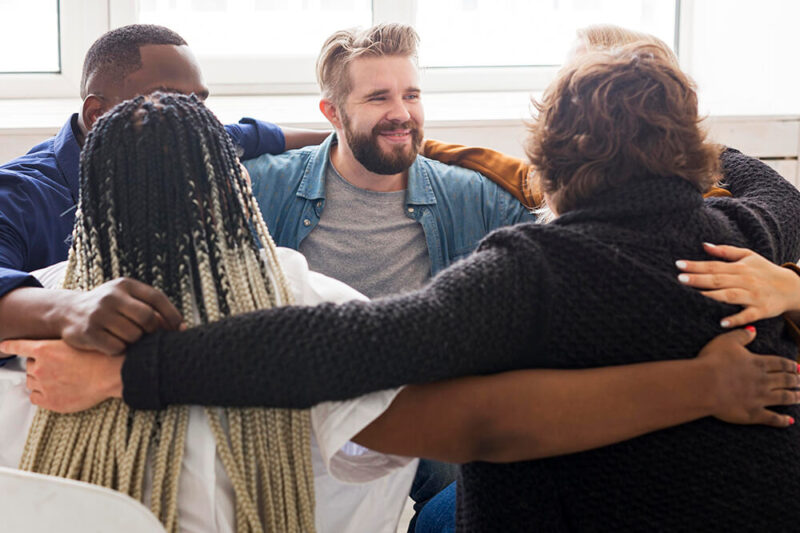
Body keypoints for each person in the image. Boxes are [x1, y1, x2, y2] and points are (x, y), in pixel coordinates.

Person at [9, 43, 800, 531]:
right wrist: (664, 119)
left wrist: (128, 372)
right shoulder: (751, 241)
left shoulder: (532, 268)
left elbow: (352, 345)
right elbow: (765, 183)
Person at [1, 92, 426, 533]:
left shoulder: (35, 320)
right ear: (233, 189)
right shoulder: (305, 300)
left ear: (88, 203)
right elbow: (392, 446)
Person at [241, 22, 533, 525]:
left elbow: (566, 245)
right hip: (301, 398)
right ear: (332, 112)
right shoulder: (263, 188)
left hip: (418, 398)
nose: (402, 113)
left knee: (464, 476)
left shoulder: (472, 195)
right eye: (378, 97)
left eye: (412, 94)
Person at [0, 24, 326, 361]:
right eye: (167, 99)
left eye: (198, 101)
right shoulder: (21, 193)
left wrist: (337, 143)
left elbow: (256, 135)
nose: (190, 114)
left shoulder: (190, 137)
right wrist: (69, 309)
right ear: (97, 114)